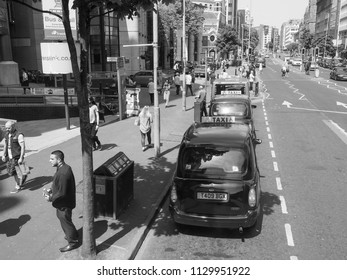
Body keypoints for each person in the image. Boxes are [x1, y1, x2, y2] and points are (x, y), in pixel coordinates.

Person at [44, 150, 79, 253]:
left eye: (52, 159)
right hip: (64, 202)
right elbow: (59, 184)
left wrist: (50, 198)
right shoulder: (63, 168)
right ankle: (72, 234)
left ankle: (72, 242)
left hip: (64, 204)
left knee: (65, 220)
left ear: (58, 159)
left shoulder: (63, 173)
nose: (49, 161)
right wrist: (51, 189)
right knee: (64, 219)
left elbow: (62, 193)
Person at [1, 120, 28, 194]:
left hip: (17, 157)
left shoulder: (19, 135)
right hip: (10, 157)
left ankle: (17, 186)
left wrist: (21, 158)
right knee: (12, 172)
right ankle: (23, 177)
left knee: (15, 172)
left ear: (13, 127)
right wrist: (4, 155)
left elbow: (23, 147)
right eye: (6, 128)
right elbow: (6, 145)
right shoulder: (7, 135)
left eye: (8, 128)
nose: (7, 130)